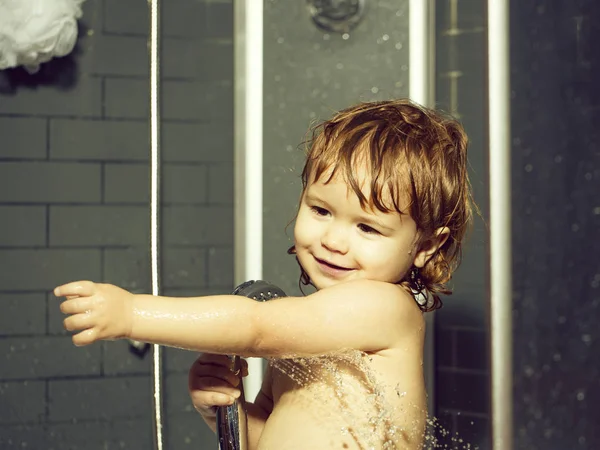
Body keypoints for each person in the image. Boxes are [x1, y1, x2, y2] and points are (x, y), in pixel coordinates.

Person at [55, 99, 473, 449]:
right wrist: (225, 412)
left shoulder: (384, 308)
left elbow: (257, 327)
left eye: (366, 227)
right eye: (321, 210)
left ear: (425, 247)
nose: (334, 240)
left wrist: (132, 314)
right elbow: (267, 441)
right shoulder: (308, 339)